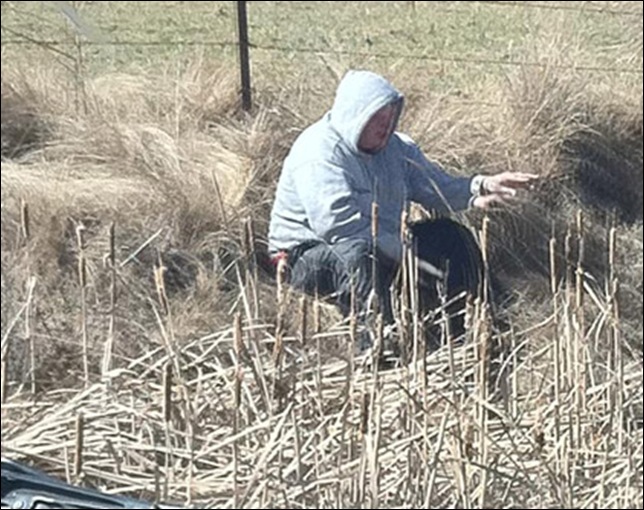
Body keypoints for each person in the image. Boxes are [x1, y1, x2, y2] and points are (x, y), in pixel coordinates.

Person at [267, 69, 536, 356]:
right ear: (354, 115)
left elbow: (436, 187)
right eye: (376, 119)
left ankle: (471, 334)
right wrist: (405, 256)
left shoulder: (397, 149)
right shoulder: (319, 153)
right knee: (359, 257)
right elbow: (339, 230)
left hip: (383, 243)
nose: (385, 127)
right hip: (307, 256)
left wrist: (480, 187)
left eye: (390, 118)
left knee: (452, 235)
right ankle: (380, 353)